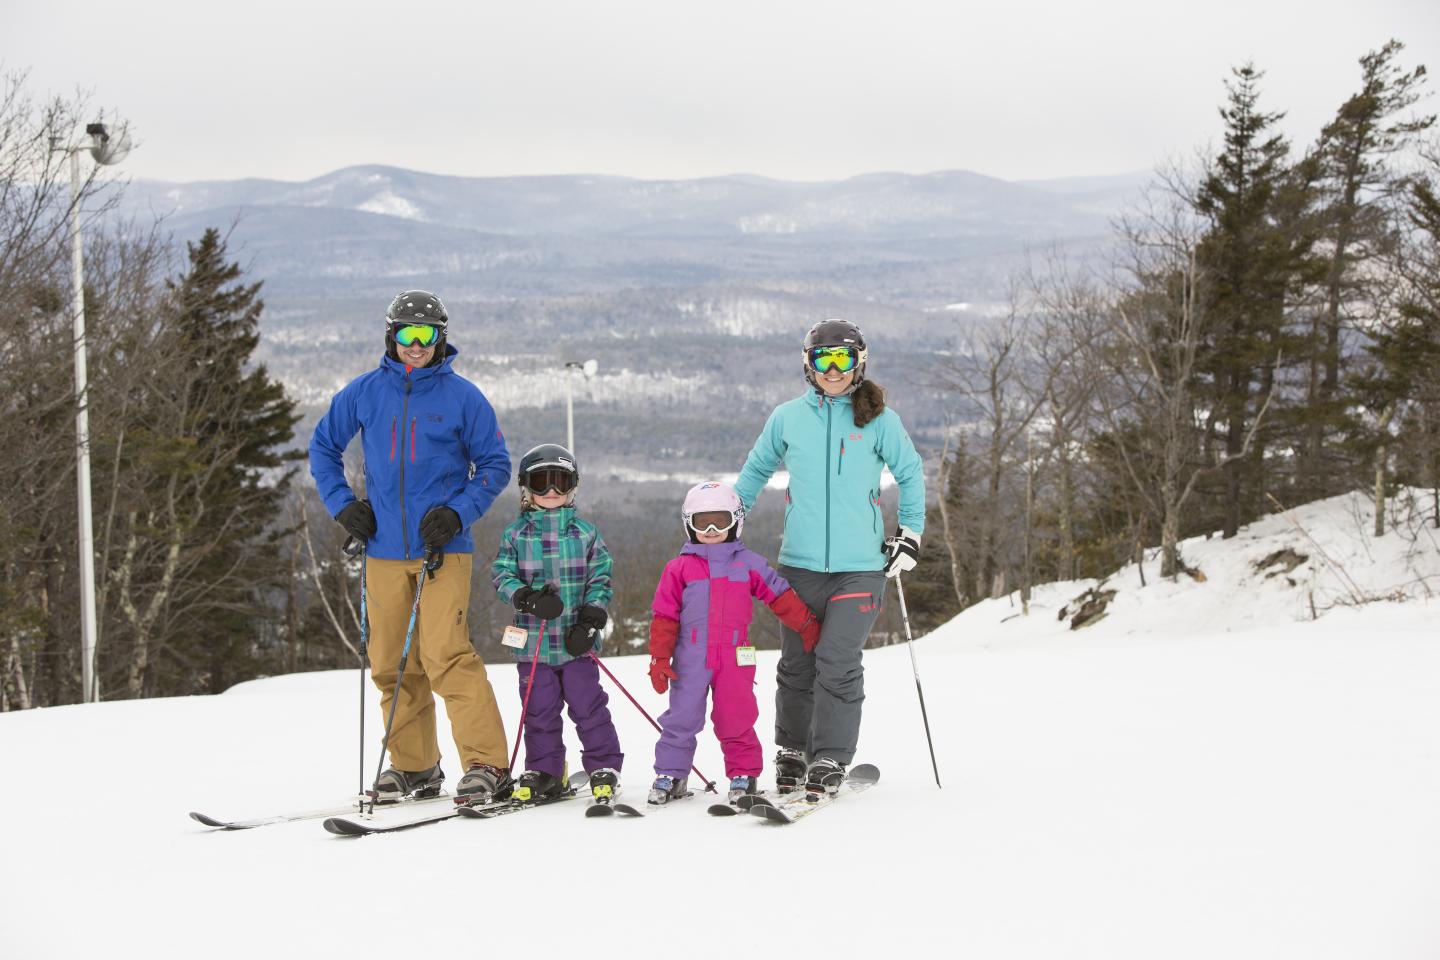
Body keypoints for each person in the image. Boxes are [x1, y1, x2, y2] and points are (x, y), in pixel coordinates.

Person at [309, 289, 513, 804]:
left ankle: (486, 764)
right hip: (382, 550)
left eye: (425, 334)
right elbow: (323, 446)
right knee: (390, 664)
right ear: (391, 336)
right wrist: (343, 505)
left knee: (446, 655)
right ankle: (414, 765)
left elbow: (494, 466)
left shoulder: (463, 397)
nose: (415, 344)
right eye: (406, 333)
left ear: (440, 338)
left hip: (442, 549)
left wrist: (458, 512)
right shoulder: (364, 392)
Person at [733, 319, 925, 795]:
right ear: (808, 364)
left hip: (860, 567)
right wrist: (729, 520)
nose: (834, 369)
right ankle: (793, 750)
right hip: (799, 566)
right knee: (797, 664)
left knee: (837, 661)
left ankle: (830, 757)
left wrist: (910, 533)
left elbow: (910, 473)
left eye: (843, 358)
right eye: (824, 358)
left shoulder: (881, 420)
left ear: (859, 362)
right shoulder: (787, 418)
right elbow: (756, 470)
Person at [645, 481, 822, 805]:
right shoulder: (679, 569)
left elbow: (779, 594)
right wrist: (659, 658)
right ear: (688, 524)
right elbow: (664, 617)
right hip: (691, 656)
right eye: (702, 523)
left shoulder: (747, 563)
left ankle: (743, 773)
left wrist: (807, 625)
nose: (711, 530)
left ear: (736, 521)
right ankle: (671, 773)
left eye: (720, 521)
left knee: (736, 716)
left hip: (735, 655)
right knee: (681, 717)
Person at [492, 443, 623, 804]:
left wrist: (590, 620)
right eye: (541, 483)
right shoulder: (515, 535)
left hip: (575, 643)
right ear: (526, 488)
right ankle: (545, 770)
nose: (551, 491)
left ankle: (604, 765)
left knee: (588, 706)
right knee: (538, 711)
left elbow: (601, 577)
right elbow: (501, 574)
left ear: (573, 487)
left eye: (560, 482)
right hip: (534, 647)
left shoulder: (586, 534)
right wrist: (527, 597)